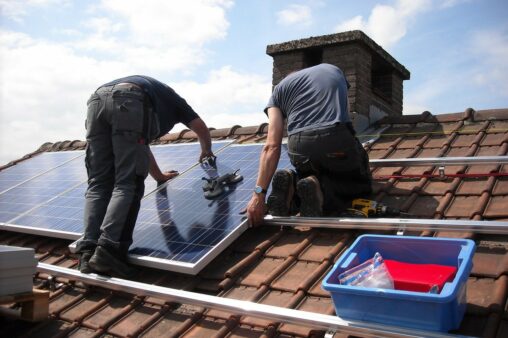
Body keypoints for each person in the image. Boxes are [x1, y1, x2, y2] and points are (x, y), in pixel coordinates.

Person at [76, 75, 214, 278]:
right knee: (127, 183)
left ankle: (88, 253)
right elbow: (200, 126)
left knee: (98, 184)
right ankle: (109, 251)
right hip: (128, 99)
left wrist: (158, 175)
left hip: (96, 101)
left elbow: (139, 147)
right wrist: (207, 150)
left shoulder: (157, 96)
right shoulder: (175, 101)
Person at [247, 63, 372, 226]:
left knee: (311, 169)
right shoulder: (333, 69)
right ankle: (322, 192)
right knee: (359, 183)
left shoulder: (278, 90)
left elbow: (272, 145)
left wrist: (259, 194)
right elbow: (346, 114)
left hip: (299, 147)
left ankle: (293, 182)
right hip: (335, 137)